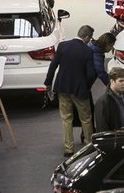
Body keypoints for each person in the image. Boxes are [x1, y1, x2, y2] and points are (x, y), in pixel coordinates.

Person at [44, 25, 96, 157]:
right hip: (79, 90)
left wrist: (48, 83)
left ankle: (69, 148)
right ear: (87, 37)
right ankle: (88, 146)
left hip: (63, 88)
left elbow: (53, 65)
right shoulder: (87, 51)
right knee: (86, 118)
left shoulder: (62, 46)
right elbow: (90, 74)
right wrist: (87, 86)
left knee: (66, 118)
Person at [94, 67, 124, 132]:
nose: (123, 84)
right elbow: (102, 128)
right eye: (120, 81)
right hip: (115, 140)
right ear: (112, 81)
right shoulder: (103, 102)